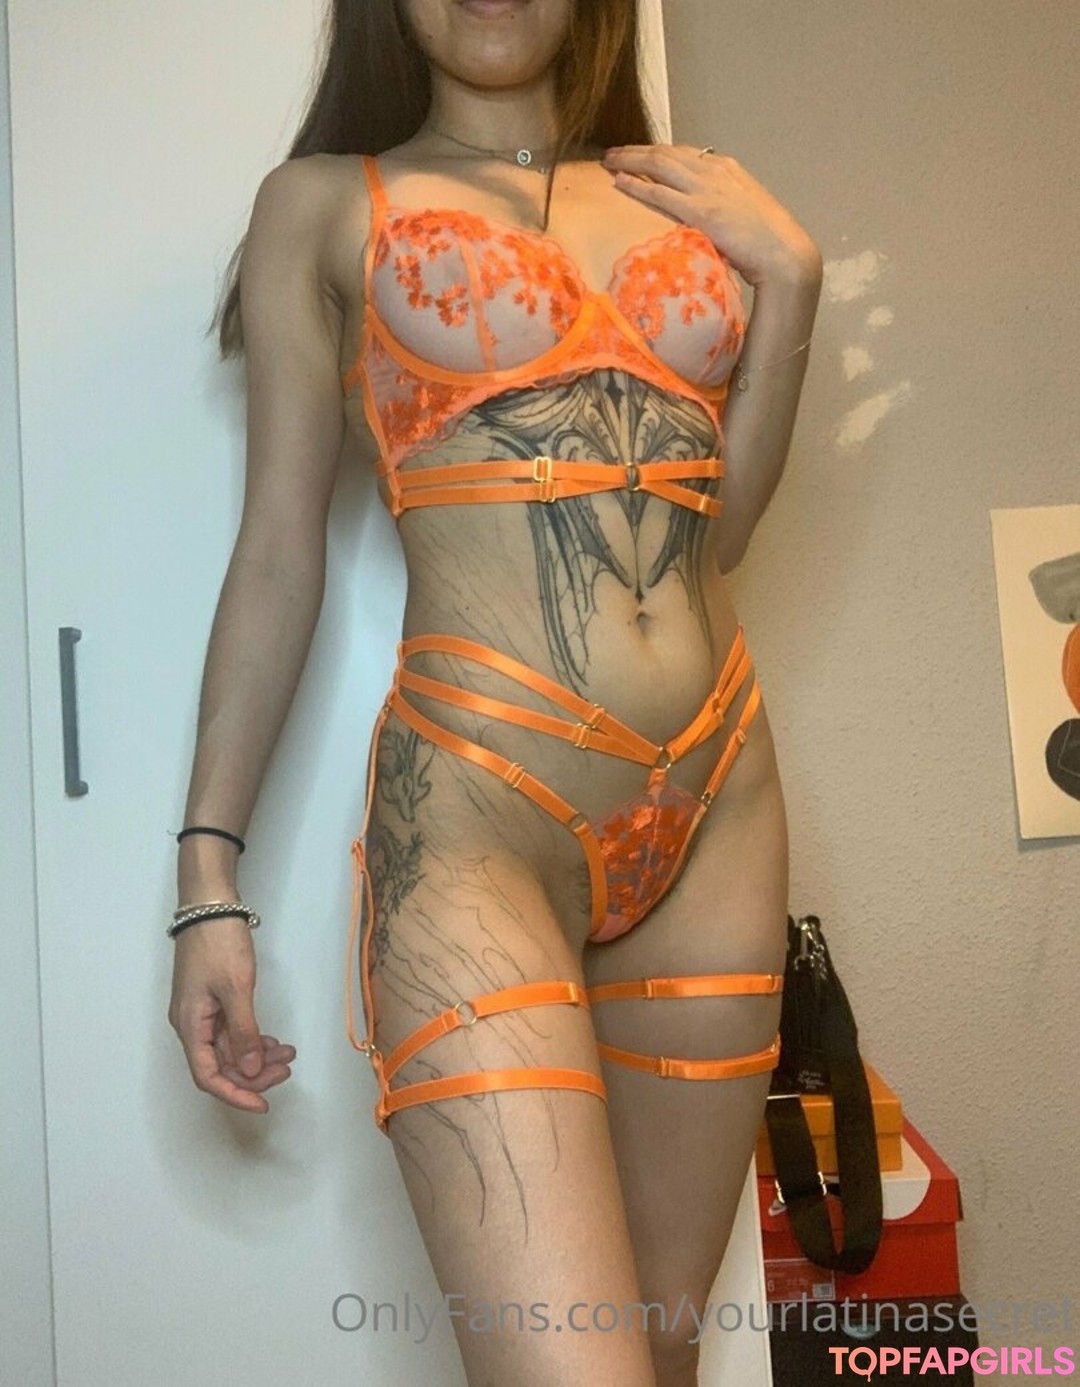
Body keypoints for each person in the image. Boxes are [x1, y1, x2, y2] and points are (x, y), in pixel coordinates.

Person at [168, 1, 823, 1383]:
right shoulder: (321, 205)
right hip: (477, 816)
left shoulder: (690, 200)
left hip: (720, 805)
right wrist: (207, 876)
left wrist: (793, 286)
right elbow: (279, 552)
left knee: (662, 1361)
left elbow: (721, 540)